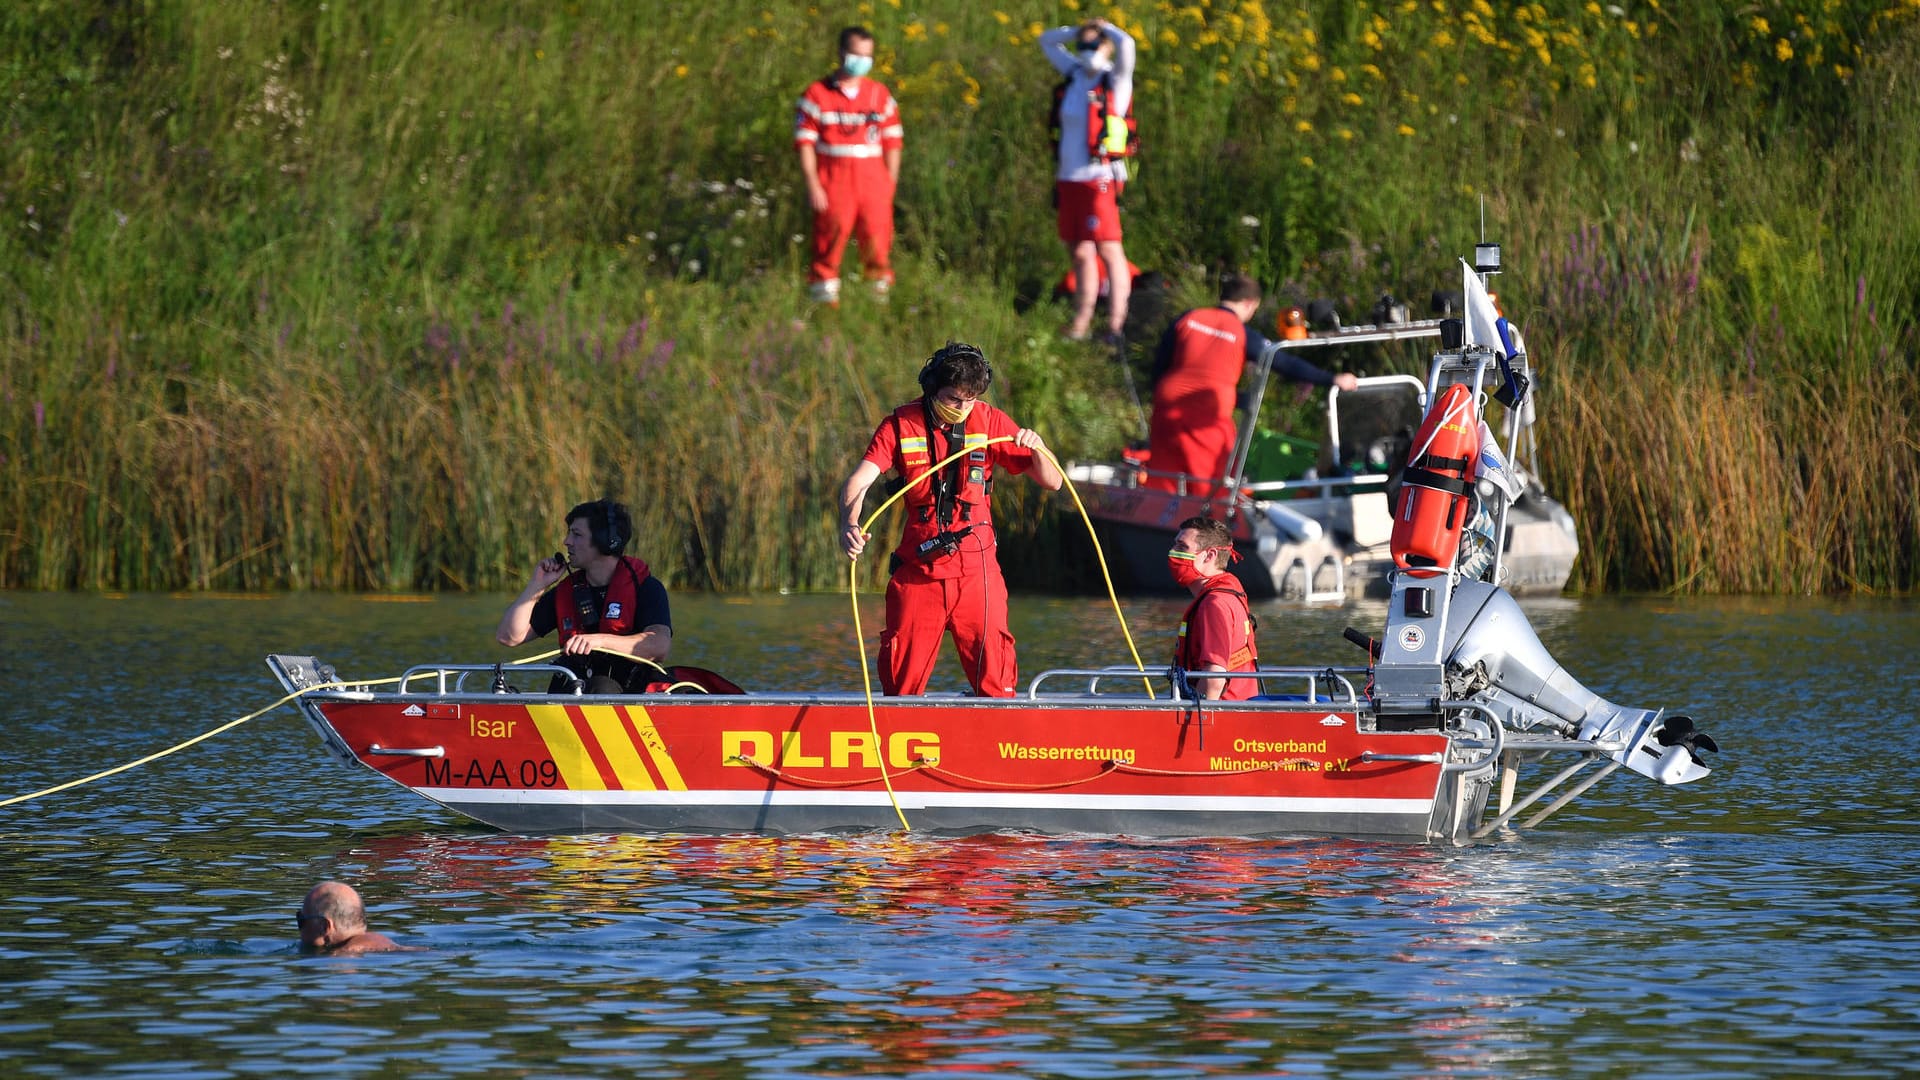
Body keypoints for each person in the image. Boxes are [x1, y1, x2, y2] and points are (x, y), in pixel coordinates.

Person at [838, 342, 1064, 697]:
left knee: (996, 678)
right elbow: (858, 482)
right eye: (952, 399)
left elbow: (1053, 481)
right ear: (931, 389)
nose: (961, 408)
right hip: (919, 569)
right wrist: (849, 524)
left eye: (969, 400)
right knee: (901, 683)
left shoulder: (990, 419)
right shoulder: (899, 425)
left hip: (978, 570)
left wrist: (1038, 446)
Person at [1146, 274, 1359, 496]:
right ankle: (1211, 525)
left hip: (1167, 405)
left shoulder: (1189, 318)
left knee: (1164, 477)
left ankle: (1157, 518)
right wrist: (1331, 379)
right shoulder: (1241, 332)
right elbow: (1283, 362)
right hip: (1208, 414)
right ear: (1250, 304)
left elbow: (1161, 366)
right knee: (1212, 484)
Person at [495, 498, 671, 693]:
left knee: (600, 687)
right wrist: (536, 585)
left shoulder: (646, 587)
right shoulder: (568, 591)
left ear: (605, 541)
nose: (566, 541)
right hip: (575, 689)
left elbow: (659, 646)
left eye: (576, 534)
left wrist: (598, 640)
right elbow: (509, 636)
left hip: (623, 694)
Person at [1040, 18, 1136, 344]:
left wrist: (1105, 29)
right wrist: (1078, 31)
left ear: (1106, 45)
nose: (1087, 51)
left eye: (1094, 45)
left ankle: (1116, 324)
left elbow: (1128, 45)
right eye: (1083, 46)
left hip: (1100, 178)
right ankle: (1082, 319)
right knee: (1079, 250)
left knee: (1109, 248)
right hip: (1069, 178)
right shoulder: (1074, 75)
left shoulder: (1115, 79)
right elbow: (1046, 40)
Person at [795, 25, 903, 307]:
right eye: (857, 54)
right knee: (828, 241)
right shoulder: (817, 94)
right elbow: (805, 143)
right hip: (834, 179)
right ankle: (824, 307)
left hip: (873, 179)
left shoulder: (879, 95)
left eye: (868, 55)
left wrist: (888, 183)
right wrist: (813, 184)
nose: (862, 61)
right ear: (842, 53)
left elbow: (893, 143)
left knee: (877, 243)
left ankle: (877, 305)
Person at [1167, 516, 1260, 701]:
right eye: (1174, 545)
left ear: (1209, 556)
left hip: (1223, 716)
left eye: (1182, 547)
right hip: (1239, 710)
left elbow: (1214, 678)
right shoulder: (1230, 594)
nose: (1172, 553)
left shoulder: (1214, 603)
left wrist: (1196, 719)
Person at [296, 881, 406, 955]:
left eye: (301, 920)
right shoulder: (385, 944)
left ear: (324, 926)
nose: (299, 928)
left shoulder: (342, 956)